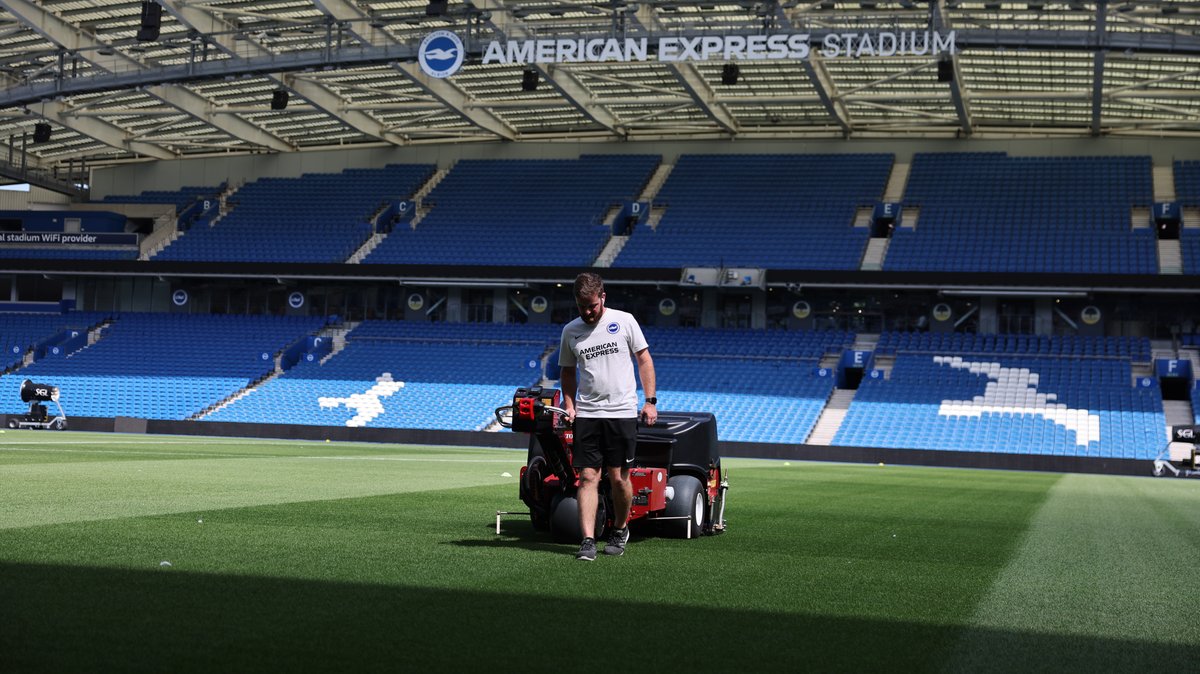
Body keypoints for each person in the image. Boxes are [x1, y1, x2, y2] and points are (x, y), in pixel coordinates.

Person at [558, 272, 657, 561]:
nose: (587, 312)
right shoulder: (570, 331)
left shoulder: (624, 321)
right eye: (581, 307)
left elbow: (644, 359)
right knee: (588, 476)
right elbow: (566, 371)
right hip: (588, 412)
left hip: (621, 412)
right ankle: (587, 540)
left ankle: (620, 528)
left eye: (592, 306)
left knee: (618, 478)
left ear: (603, 297)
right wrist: (569, 404)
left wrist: (650, 401)